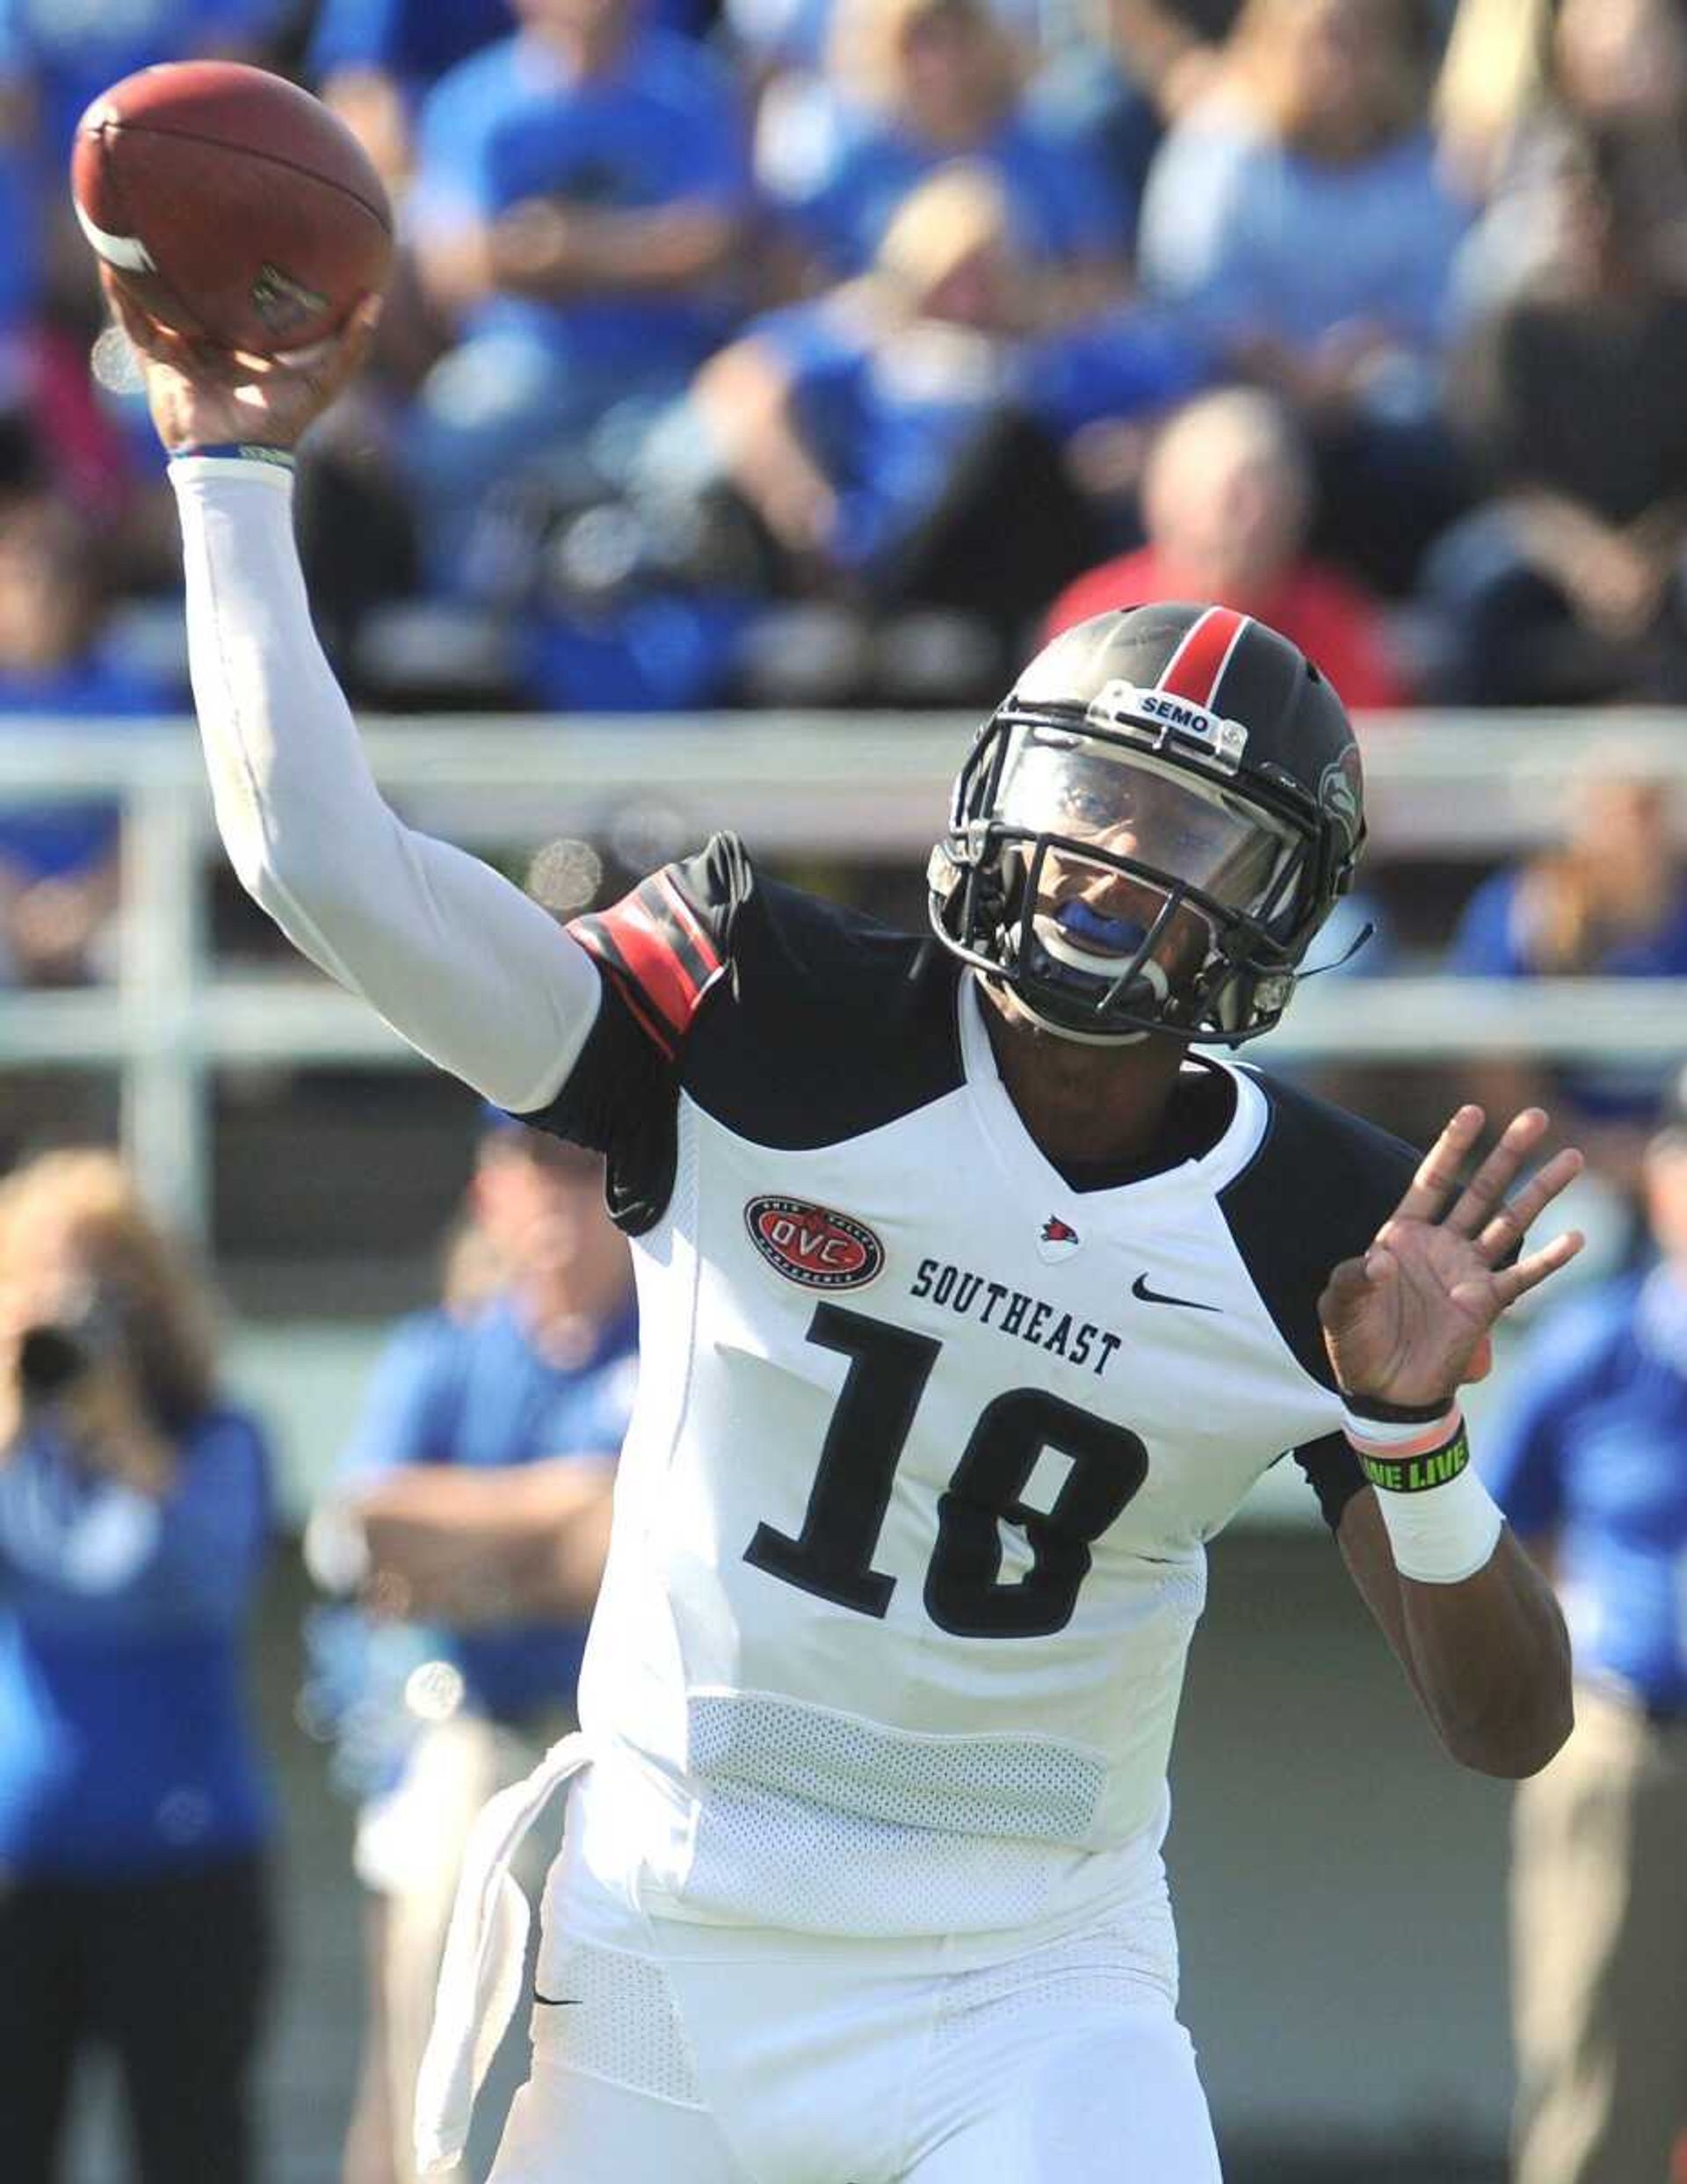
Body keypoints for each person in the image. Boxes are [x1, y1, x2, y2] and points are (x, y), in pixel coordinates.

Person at [112, 270, 1579, 2184]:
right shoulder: (761, 1010)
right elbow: (331, 868)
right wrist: (227, 473)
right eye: (1089, 802)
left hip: (1031, 1978)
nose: (1114, 880)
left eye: (1188, 850)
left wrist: (1414, 1434)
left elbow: (1509, 1726)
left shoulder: (1321, 1225)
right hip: (664, 1927)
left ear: (1273, 922)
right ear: (992, 796)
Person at [316, 1116, 637, 2184]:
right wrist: (550, 1539)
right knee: (425, 2052)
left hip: (638, 1755)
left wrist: (479, 1554)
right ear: (490, 1188)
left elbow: (615, 1533)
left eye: (580, 1167)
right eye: (529, 1162)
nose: (553, 1193)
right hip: (477, 1730)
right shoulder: (445, 1350)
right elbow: (372, 1524)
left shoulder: (670, 1338)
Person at [0, 1148, 274, 2184]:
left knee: (192, 2148)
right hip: (23, 1866)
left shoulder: (216, 1438)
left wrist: (123, 1432)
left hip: (188, 1869)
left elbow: (214, 1579)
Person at [1481, 1085, 1687, 2184]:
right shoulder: (1596, 1351)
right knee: (1598, 2080)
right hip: (1632, 1749)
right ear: (1661, 1180)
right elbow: (1494, 1538)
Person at [1043, 386, 1408, 707]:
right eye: (1230, 498)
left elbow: (1370, 763)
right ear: (1162, 501)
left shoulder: (1338, 623)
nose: (1251, 520)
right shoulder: (1098, 624)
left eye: (1269, 494)